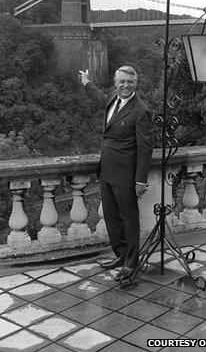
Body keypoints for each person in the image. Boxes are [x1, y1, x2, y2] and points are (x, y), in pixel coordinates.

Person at [79, 66, 153, 282]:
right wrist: (86, 82)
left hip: (126, 175)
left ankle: (131, 263)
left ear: (136, 83)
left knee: (129, 219)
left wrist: (140, 180)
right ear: (115, 82)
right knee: (111, 217)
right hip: (107, 171)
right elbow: (99, 97)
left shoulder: (141, 111)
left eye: (130, 82)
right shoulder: (113, 98)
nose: (126, 86)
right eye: (122, 82)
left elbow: (145, 149)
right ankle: (120, 255)